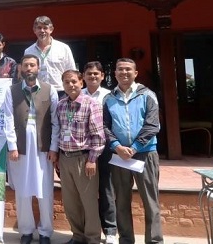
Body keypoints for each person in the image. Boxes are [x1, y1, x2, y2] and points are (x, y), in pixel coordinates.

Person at [102, 58, 163, 244]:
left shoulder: (147, 95)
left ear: (135, 73)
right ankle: (126, 239)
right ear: (115, 73)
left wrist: (135, 147)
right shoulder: (109, 98)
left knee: (150, 201)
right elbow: (104, 126)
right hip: (120, 156)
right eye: (120, 69)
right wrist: (116, 147)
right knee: (121, 201)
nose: (124, 72)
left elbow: (153, 125)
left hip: (145, 153)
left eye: (128, 69)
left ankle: (154, 240)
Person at [2, 55, 59, 244]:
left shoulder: (50, 90)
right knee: (22, 190)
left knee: (45, 190)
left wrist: (53, 147)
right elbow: (8, 119)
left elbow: (55, 121)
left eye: (32, 65)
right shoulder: (12, 91)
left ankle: (45, 232)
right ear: (20, 68)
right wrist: (12, 146)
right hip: (21, 147)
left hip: (43, 147)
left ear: (38, 67)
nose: (29, 68)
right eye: (25, 65)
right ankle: (26, 231)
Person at [52, 70, 105, 244]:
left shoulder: (92, 104)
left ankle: (92, 238)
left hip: (84, 159)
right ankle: (77, 236)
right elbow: (59, 131)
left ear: (81, 83)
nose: (71, 85)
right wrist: (58, 157)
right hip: (65, 158)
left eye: (74, 81)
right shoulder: (60, 105)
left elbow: (98, 135)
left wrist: (92, 160)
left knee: (88, 202)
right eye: (67, 82)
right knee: (70, 202)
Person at [82, 61, 116, 244]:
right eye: (89, 74)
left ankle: (110, 230)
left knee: (106, 189)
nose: (93, 76)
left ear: (102, 76)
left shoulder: (109, 96)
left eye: (96, 74)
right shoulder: (78, 95)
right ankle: (88, 229)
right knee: (87, 192)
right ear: (84, 76)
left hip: (105, 150)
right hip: (84, 150)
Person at [24, 16, 76, 98]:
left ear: (51, 29)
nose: (42, 31)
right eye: (39, 28)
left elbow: (72, 72)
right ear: (34, 30)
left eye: (45, 28)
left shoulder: (63, 48)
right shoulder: (28, 51)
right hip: (37, 94)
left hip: (60, 93)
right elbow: (26, 74)